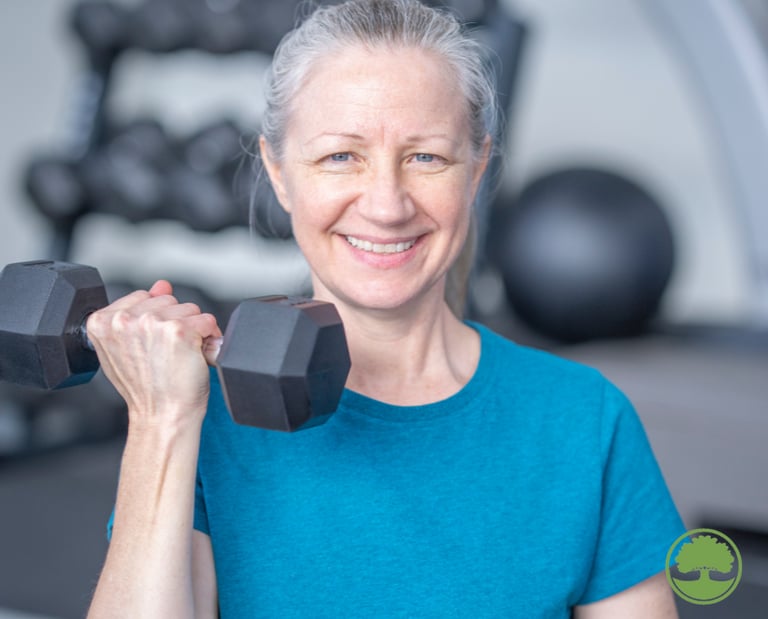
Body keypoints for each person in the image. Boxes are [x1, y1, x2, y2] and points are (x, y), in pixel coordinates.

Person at [86, 0, 685, 616]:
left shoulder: (584, 419)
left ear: (475, 171)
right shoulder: (203, 419)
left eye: (426, 156)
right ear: (280, 172)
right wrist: (160, 422)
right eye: (340, 156)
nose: (387, 205)